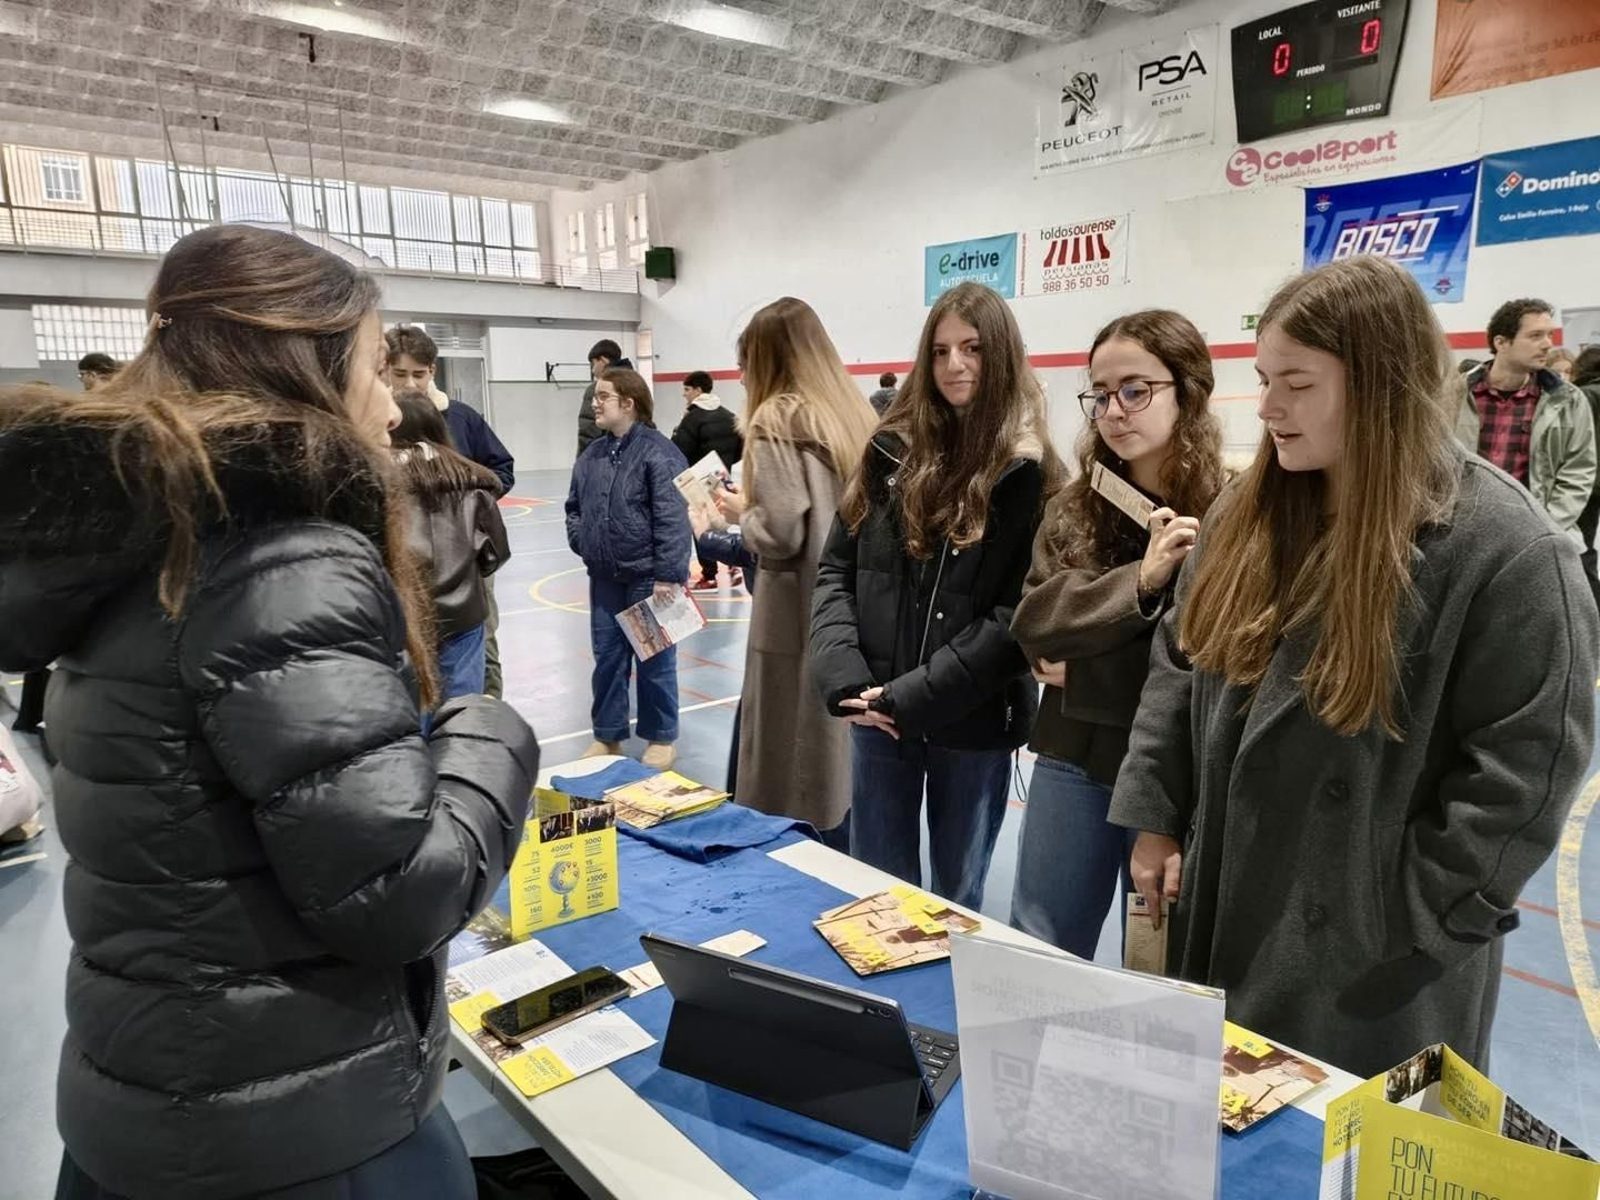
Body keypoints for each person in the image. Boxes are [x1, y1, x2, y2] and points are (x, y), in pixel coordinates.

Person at [0, 224, 539, 1200]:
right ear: (311, 370)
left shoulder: (144, 548)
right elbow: (397, 892)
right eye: (375, 367)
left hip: (148, 1104)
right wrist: (486, 731)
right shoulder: (281, 563)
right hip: (299, 1133)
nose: (390, 402)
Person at [1111, 256, 1598, 1078]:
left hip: (1374, 969)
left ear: (1380, 382)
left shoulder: (1507, 551)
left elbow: (1527, 767)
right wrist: (1158, 811)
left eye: (1295, 383)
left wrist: (1413, 914)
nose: (1266, 408)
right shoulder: (1245, 510)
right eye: (1265, 379)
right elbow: (1182, 658)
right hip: (1224, 902)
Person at [811, 282, 1064, 909]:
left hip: (970, 721)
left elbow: (1014, 617)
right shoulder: (886, 451)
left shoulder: (1028, 471)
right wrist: (846, 681)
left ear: (1000, 355)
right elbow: (835, 572)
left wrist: (913, 697)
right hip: (877, 715)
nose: (955, 365)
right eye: (942, 350)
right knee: (876, 893)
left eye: (973, 348)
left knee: (956, 899)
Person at [1009, 311, 1225, 958]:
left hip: (1179, 773)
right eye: (1100, 394)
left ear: (1187, 391)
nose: (1113, 410)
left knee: (1165, 955)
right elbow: (1037, 621)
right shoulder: (1074, 507)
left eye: (1135, 390)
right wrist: (1143, 580)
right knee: (1041, 940)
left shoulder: (1228, 511)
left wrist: (1089, 660)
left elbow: (1212, 662)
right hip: (1074, 752)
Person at [711, 298, 877, 847]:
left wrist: (741, 515)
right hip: (851, 610)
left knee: (789, 765)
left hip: (793, 616)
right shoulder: (852, 417)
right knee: (840, 755)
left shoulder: (776, 420)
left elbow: (780, 531)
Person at [566, 367, 689, 769]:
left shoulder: (659, 453)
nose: (594, 403)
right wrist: (584, 543)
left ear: (628, 403)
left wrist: (668, 575)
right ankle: (608, 736)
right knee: (608, 660)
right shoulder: (592, 455)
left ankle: (661, 737)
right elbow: (574, 509)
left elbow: (673, 518)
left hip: (648, 580)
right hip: (604, 579)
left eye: (603, 396)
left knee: (654, 662)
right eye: (595, 397)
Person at [386, 324, 514, 700]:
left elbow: (501, 470)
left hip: (465, 563)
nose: (410, 383)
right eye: (400, 373)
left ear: (433, 372)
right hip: (406, 573)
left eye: (418, 374)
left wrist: (471, 506)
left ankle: (487, 715)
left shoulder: (461, 417)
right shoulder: (374, 420)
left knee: (481, 640)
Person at [1455, 298, 1596, 542]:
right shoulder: (1453, 394)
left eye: (1549, 335)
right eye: (1535, 336)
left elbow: (1578, 471)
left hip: (1535, 535)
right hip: (1463, 533)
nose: (1547, 344)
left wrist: (1546, 527)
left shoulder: (1568, 400)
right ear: (1501, 342)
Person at [671, 369, 746, 591]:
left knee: (702, 523)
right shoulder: (729, 415)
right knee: (724, 520)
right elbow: (741, 446)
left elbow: (678, 450)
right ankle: (733, 565)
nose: (684, 394)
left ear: (697, 390)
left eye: (686, 389)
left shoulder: (692, 418)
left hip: (698, 479)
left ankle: (710, 575)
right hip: (723, 476)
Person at [576, 338, 622, 457]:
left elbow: (589, 431)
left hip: (604, 459)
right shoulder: (636, 384)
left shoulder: (596, 390)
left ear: (602, 360)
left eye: (593, 364)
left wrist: (582, 464)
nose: (592, 370)